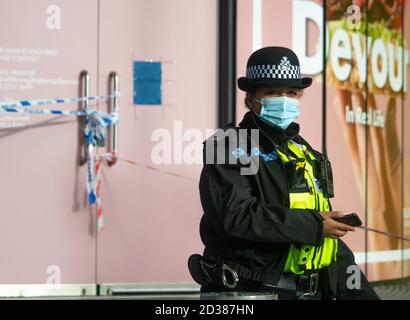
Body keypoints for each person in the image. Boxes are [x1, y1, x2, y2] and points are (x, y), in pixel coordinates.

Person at [189, 46, 380, 300]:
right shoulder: (226, 145)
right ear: (250, 99)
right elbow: (236, 217)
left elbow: (328, 243)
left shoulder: (305, 152)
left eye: (291, 92)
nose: (284, 99)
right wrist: (314, 225)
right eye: (272, 92)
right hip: (252, 294)